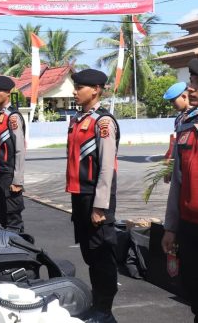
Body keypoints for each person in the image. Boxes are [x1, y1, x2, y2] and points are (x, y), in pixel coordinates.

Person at [65, 69, 120, 323]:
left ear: (96, 89)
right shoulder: (77, 119)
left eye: (80, 87)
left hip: (96, 198)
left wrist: (100, 205)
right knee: (89, 254)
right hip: (80, 196)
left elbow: (107, 167)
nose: (75, 91)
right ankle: (98, 304)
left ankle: (104, 310)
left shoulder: (103, 122)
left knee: (101, 256)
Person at [163, 58, 198, 323]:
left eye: (197, 83)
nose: (193, 88)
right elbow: (178, 180)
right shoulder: (185, 126)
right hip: (189, 225)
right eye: (193, 82)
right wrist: (171, 226)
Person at [0, 76, 26, 233]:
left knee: (13, 220)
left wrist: (18, 179)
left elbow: (19, 149)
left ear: (8, 93)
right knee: (2, 213)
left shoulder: (13, 117)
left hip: (9, 173)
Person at [163, 82, 195, 183]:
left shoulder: (195, 115)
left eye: (173, 101)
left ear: (184, 96)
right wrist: (170, 165)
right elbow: (177, 143)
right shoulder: (179, 118)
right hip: (181, 164)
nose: (172, 105)